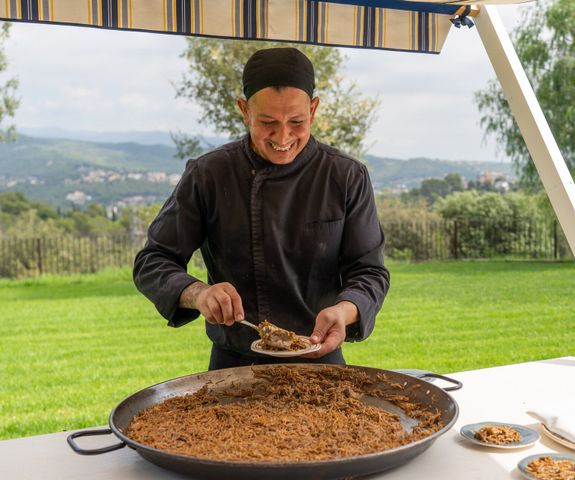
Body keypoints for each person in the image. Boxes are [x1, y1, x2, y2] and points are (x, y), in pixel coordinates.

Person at [133, 47, 389, 370]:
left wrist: (345, 309)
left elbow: (370, 272)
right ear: (244, 111)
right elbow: (151, 262)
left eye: (296, 121)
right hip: (234, 366)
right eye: (268, 122)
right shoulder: (208, 175)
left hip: (322, 362)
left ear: (313, 110)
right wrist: (198, 293)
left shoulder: (346, 176)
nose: (283, 137)